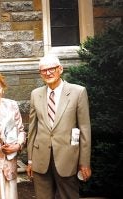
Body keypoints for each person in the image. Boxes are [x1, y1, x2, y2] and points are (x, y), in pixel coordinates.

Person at [26, 55, 92, 199]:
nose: (48, 73)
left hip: (67, 159)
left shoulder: (78, 92)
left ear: (60, 69)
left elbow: (85, 129)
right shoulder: (35, 94)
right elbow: (32, 129)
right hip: (41, 159)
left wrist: (84, 162)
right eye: (44, 70)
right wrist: (30, 160)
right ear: (40, 73)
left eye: (52, 69)